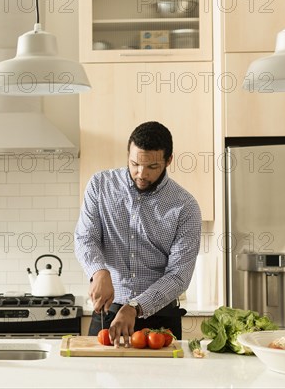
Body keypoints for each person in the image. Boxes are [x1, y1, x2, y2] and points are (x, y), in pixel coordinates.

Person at [74, 121, 201, 347]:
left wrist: (135, 306)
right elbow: (86, 238)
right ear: (128, 154)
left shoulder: (185, 206)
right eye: (134, 164)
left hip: (160, 321)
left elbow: (179, 276)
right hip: (108, 315)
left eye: (152, 167)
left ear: (168, 160)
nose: (141, 174)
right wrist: (98, 271)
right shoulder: (100, 185)